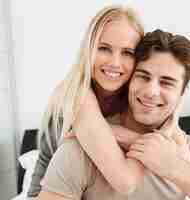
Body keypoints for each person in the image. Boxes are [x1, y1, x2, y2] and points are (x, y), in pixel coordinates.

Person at [37, 29, 190, 200]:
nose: (150, 91)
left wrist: (176, 169)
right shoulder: (82, 149)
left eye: (166, 82)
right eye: (143, 77)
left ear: (182, 94)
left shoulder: (189, 151)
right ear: (129, 81)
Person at [28, 5, 150, 197]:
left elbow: (178, 149)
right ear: (88, 49)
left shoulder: (143, 100)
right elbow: (125, 182)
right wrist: (134, 138)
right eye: (104, 48)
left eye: (127, 53)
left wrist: (114, 133)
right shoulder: (77, 96)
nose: (115, 63)